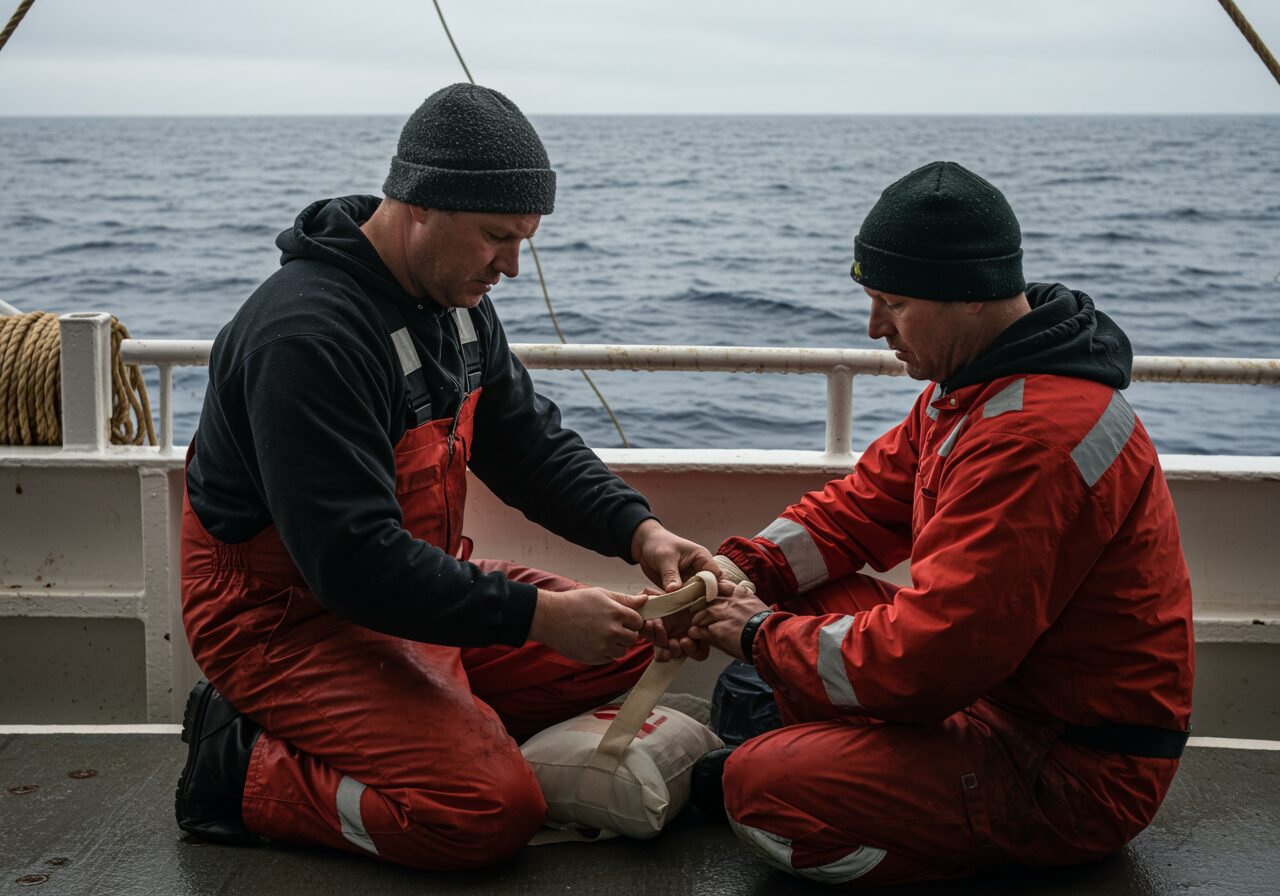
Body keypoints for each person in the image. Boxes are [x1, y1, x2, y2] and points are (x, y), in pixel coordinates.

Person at [175, 83, 715, 870]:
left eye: (524, 239)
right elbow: (351, 562)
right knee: (485, 813)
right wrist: (535, 618)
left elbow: (528, 443)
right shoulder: (306, 336)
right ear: (418, 206)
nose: (513, 267)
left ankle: (430, 723)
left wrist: (642, 532)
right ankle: (241, 764)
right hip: (285, 623)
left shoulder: (454, 302)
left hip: (408, 591)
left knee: (632, 641)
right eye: (498, 236)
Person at [675, 161, 1194, 887]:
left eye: (893, 303)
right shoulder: (973, 389)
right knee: (781, 631)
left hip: (1066, 769)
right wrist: (738, 575)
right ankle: (864, 766)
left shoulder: (1032, 436)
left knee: (757, 791)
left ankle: (943, 840)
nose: (873, 326)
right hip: (999, 696)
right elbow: (857, 510)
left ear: (971, 299)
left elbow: (928, 662)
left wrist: (756, 635)